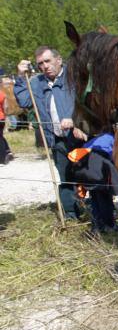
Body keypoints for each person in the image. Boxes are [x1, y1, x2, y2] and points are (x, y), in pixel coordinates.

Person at [14, 46, 87, 219]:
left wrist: (75, 120)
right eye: (41, 63)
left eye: (48, 61)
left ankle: (103, 215)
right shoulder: (37, 83)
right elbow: (24, 101)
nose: (45, 66)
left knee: (91, 174)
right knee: (65, 176)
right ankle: (71, 214)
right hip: (56, 139)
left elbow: (89, 102)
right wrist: (20, 77)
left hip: (81, 136)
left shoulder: (75, 76)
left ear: (59, 60)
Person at [0, 87, 12, 164]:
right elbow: (6, 107)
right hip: (1, 118)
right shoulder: (2, 93)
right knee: (0, 137)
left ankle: (2, 157)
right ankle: (3, 157)